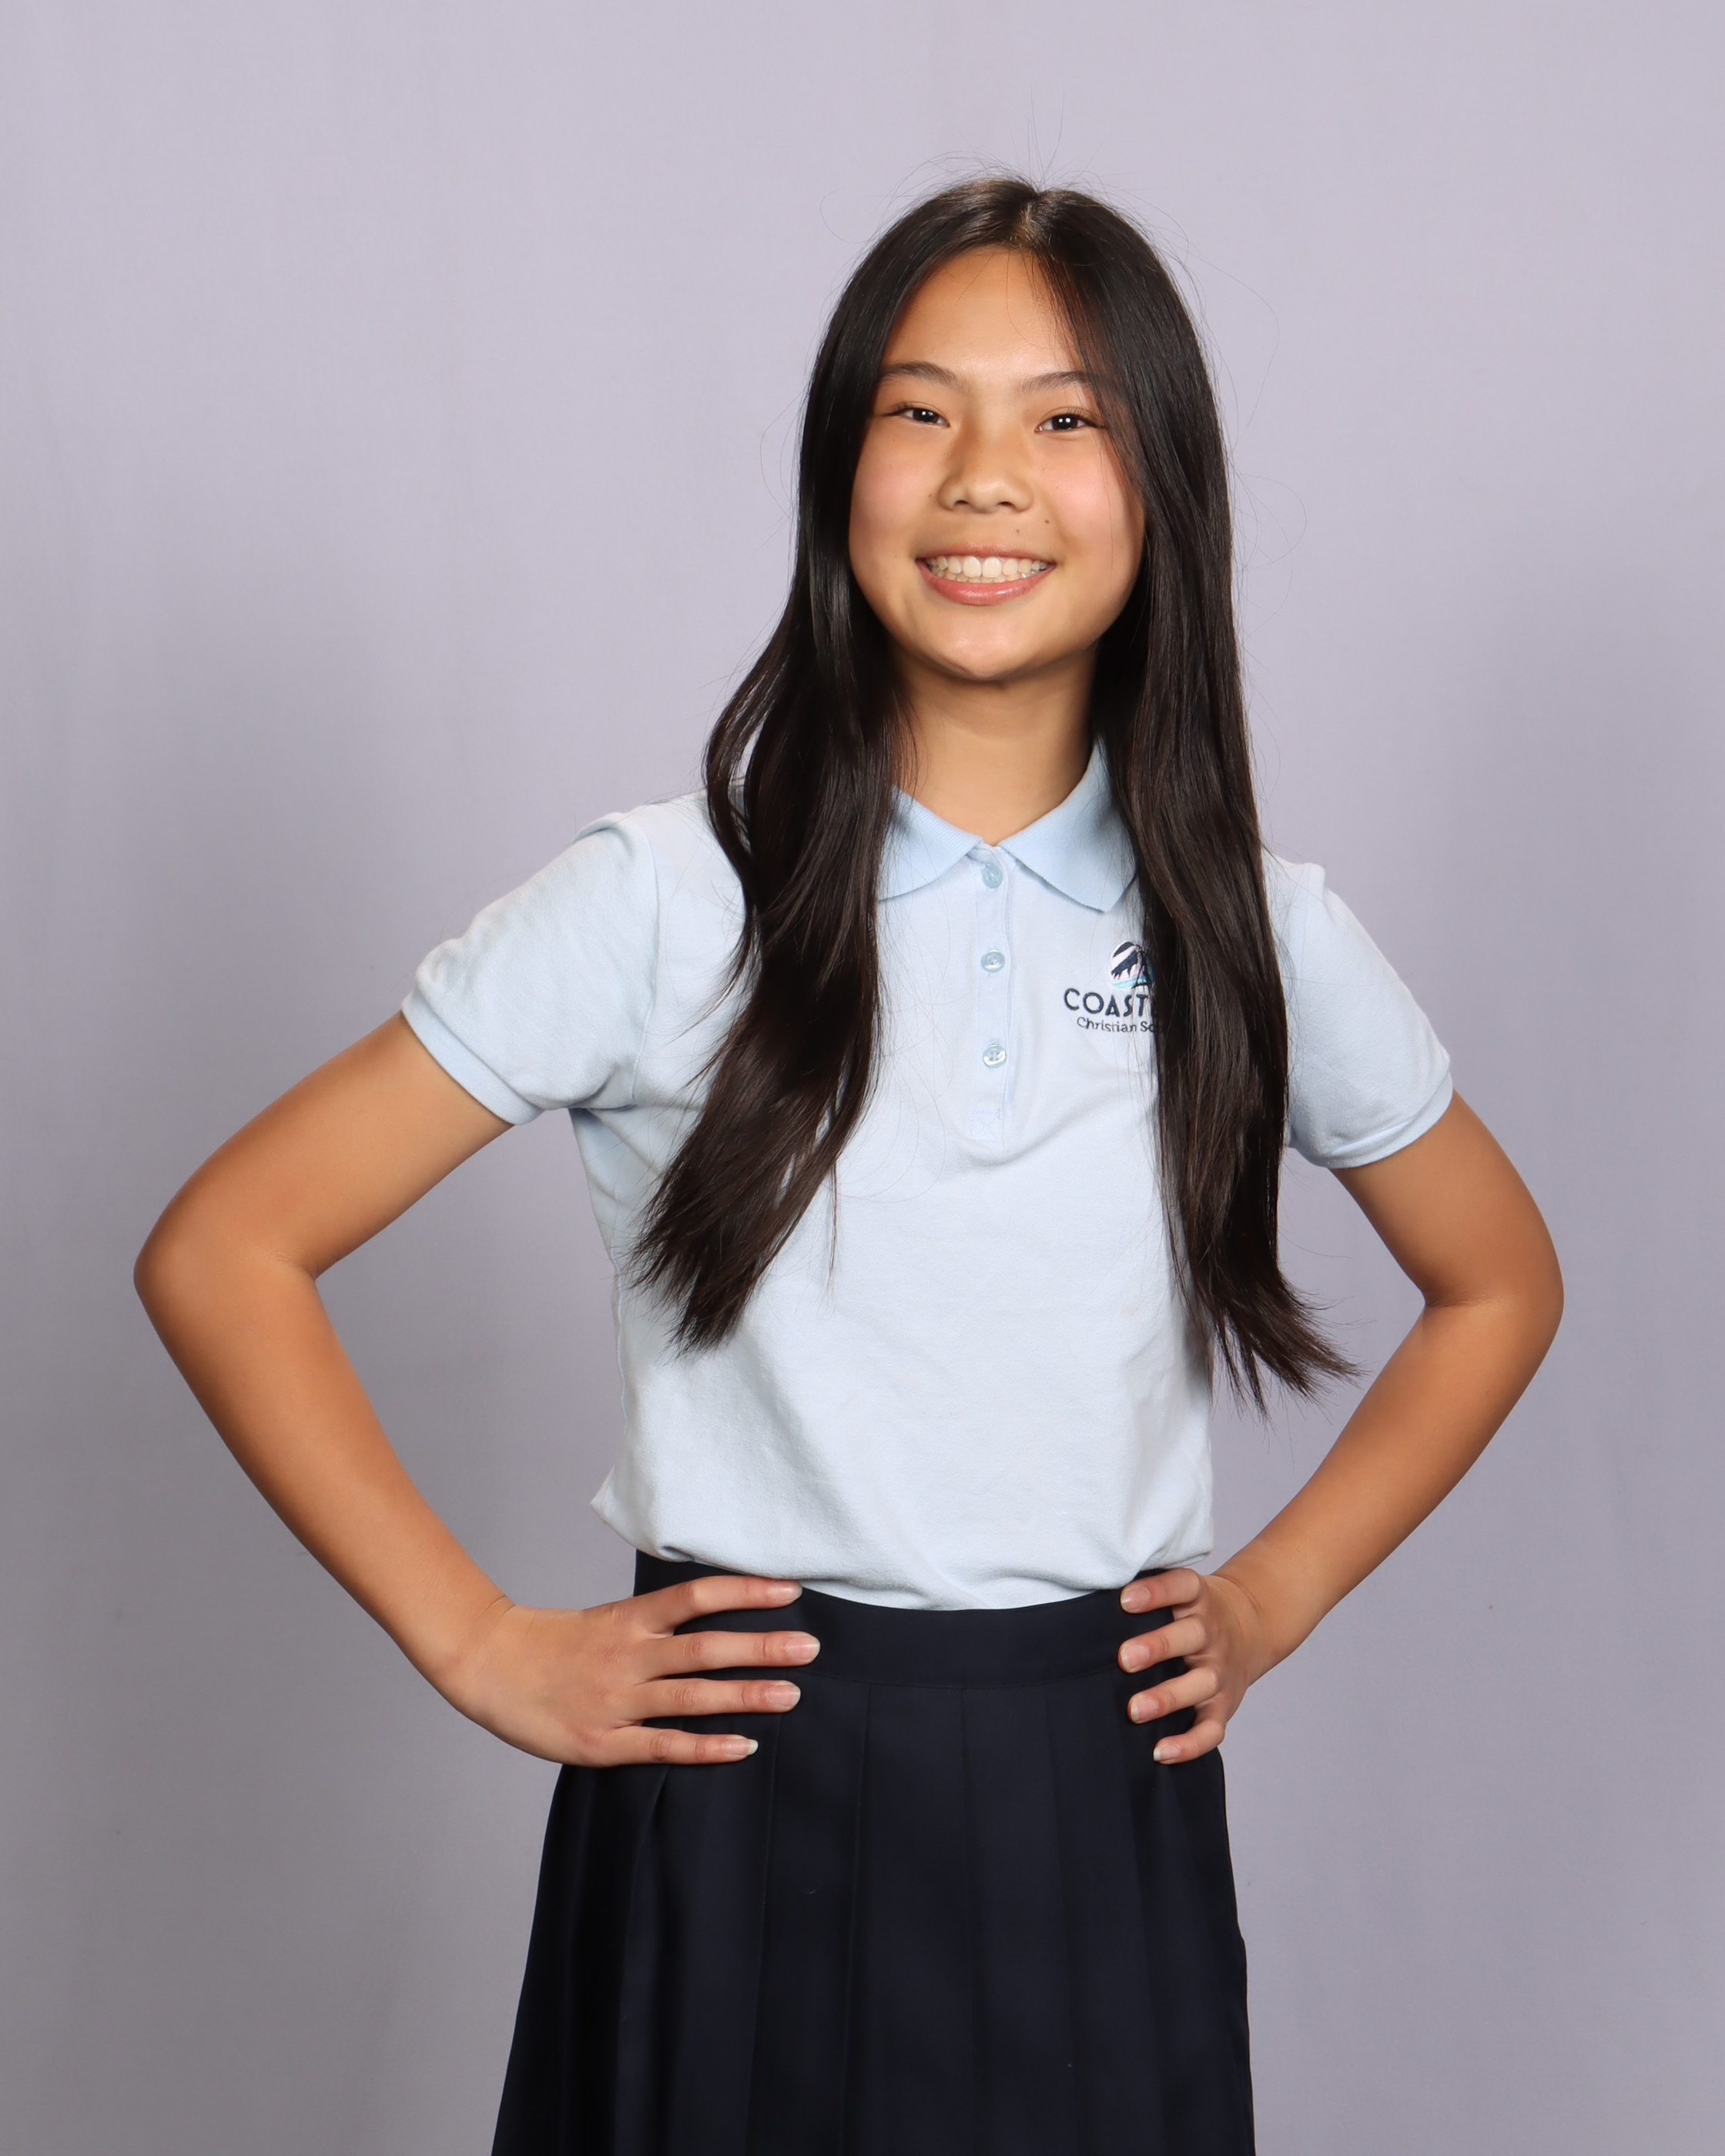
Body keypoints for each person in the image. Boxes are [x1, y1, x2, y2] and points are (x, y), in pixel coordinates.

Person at [136, 178, 1563, 2156]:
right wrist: (477, 1638)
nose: (986, 475)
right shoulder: (659, 900)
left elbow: (1499, 1280)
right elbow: (224, 1244)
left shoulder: (1251, 930)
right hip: (732, 1790)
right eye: (920, 409)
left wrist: (1276, 1592)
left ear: (1162, 491)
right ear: (838, 472)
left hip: (1100, 1796)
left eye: (1065, 418)